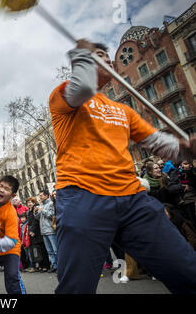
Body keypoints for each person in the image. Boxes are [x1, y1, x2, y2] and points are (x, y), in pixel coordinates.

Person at [49, 38, 196, 293]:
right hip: (82, 197)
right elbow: (82, 86)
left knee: (187, 271)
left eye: (108, 58)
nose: (107, 60)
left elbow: (157, 142)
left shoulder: (123, 110)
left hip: (133, 200)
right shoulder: (63, 96)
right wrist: (82, 56)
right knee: (76, 288)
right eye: (99, 56)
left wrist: (184, 149)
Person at [34, 189, 58, 273]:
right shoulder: (41, 205)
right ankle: (54, 266)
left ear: (46, 195)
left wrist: (42, 210)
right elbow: (38, 218)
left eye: (41, 195)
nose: (39, 197)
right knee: (49, 251)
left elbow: (52, 215)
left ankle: (60, 266)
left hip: (51, 230)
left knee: (56, 250)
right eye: (39, 195)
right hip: (43, 231)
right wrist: (36, 213)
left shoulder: (51, 204)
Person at [26, 197, 48, 272]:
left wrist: (32, 230)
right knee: (37, 250)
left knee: (42, 249)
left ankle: (45, 265)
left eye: (30, 202)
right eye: (28, 202)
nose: (29, 204)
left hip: (38, 232)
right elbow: (29, 222)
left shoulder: (35, 209)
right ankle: (40, 265)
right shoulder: (28, 211)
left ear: (34, 203)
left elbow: (35, 221)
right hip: (32, 233)